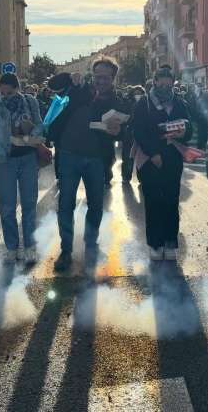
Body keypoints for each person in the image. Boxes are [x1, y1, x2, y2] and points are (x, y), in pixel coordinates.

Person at [47, 58, 123, 272]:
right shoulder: (79, 89)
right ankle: (66, 251)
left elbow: (125, 129)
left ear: (113, 79)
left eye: (105, 78)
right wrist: (69, 77)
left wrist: (118, 132)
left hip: (97, 159)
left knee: (96, 205)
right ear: (92, 74)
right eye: (97, 76)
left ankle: (91, 245)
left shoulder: (117, 101)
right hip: (69, 155)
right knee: (66, 204)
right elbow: (52, 85)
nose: (101, 81)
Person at [132, 66, 193, 260]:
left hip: (173, 157)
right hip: (149, 158)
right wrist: (154, 153)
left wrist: (184, 131)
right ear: (155, 81)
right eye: (162, 82)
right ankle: (155, 243)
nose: (165, 86)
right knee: (153, 201)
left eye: (169, 83)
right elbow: (138, 130)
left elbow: (189, 127)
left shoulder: (179, 103)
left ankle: (170, 242)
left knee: (171, 200)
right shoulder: (144, 103)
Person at [0, 73, 44, 265]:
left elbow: (40, 124)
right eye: (2, 93)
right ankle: (11, 247)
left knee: (29, 204)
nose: (6, 96)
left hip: (28, 158)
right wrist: (0, 151)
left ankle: (30, 246)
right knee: (7, 206)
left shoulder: (30, 102)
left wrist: (30, 136)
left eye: (10, 92)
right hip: (6, 161)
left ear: (18, 89)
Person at [120, 85, 145, 183]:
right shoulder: (127, 102)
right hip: (129, 133)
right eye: (136, 93)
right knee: (127, 157)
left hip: (142, 134)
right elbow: (124, 116)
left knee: (141, 157)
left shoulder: (146, 103)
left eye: (140, 93)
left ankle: (141, 178)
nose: (137, 95)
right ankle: (126, 176)